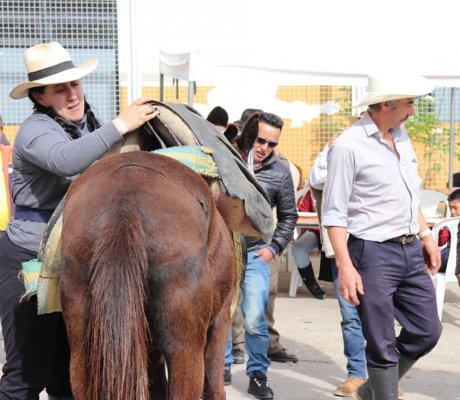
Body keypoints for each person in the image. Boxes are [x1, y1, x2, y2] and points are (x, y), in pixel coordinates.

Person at [0, 41, 158, 400]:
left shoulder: (90, 124)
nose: (72, 94)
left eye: (74, 84)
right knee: (26, 375)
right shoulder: (35, 130)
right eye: (60, 89)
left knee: (68, 374)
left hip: (73, 257)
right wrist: (122, 124)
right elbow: (65, 160)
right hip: (28, 258)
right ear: (40, 98)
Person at [322, 73, 443, 400]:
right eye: (409, 104)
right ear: (386, 104)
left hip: (410, 250)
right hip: (370, 253)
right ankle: (382, 391)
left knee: (427, 331)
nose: (412, 112)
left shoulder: (401, 137)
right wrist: (345, 267)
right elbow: (333, 213)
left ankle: (370, 390)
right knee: (381, 343)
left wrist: (425, 233)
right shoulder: (348, 146)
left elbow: (407, 193)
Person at [224, 112, 297, 399]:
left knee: (254, 319)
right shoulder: (227, 158)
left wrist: (273, 247)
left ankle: (257, 374)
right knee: (221, 316)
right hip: (224, 252)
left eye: (271, 143)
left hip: (256, 253)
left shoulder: (280, 172)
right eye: (259, 139)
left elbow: (289, 216)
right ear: (247, 134)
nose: (264, 147)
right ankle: (222, 367)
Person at [290, 189, 325, 299]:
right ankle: (311, 284)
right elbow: (302, 212)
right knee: (298, 248)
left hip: (339, 235)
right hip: (316, 232)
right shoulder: (312, 191)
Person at [438, 189, 460, 273]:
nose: (452, 212)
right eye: (450, 208)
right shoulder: (450, 223)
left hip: (451, 258)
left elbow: (441, 241)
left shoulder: (449, 223)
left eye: (455, 208)